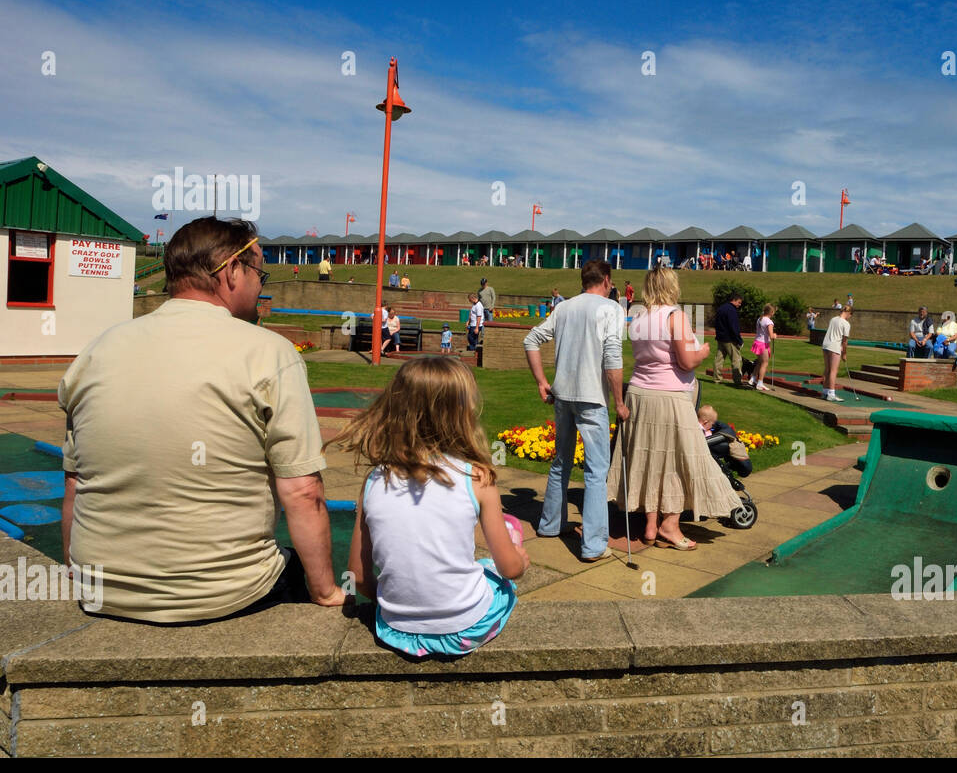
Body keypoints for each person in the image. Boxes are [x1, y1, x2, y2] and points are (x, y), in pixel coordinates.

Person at [58, 217, 343, 623]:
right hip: (226, 592)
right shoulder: (269, 352)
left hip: (99, 590)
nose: (260, 285)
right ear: (231, 270)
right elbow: (302, 492)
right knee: (302, 573)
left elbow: (74, 482)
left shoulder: (95, 351)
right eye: (259, 273)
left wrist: (76, 573)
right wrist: (326, 591)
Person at [336, 357, 529, 658]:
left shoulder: (374, 481)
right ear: (462, 414)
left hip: (395, 630)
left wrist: (393, 606)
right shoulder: (477, 477)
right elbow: (511, 570)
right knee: (494, 569)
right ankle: (510, 535)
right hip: (466, 629)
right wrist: (520, 559)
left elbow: (358, 577)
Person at [607, 266, 739, 552]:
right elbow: (686, 361)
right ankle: (669, 525)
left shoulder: (638, 317)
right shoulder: (675, 316)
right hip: (670, 395)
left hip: (639, 394)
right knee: (680, 460)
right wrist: (702, 352)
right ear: (671, 286)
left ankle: (650, 526)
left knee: (652, 459)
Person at [523, 260, 628, 562]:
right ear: (606, 280)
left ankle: (550, 524)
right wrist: (620, 402)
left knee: (561, 462)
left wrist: (541, 382)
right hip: (592, 398)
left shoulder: (564, 307)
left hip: (563, 395)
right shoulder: (611, 308)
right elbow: (612, 357)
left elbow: (531, 339)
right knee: (596, 472)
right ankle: (593, 545)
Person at [712, 291, 745, 385]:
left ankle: (717, 379)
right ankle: (737, 380)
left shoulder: (721, 308)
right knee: (736, 360)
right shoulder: (731, 310)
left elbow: (716, 323)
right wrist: (739, 340)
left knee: (719, 359)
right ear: (734, 300)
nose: (739, 305)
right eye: (739, 302)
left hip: (720, 337)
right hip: (730, 339)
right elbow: (734, 327)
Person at [822, 304, 851, 402]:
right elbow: (845, 342)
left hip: (825, 345)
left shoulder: (833, 319)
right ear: (849, 313)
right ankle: (831, 394)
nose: (850, 317)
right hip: (834, 347)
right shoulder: (846, 324)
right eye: (850, 315)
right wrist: (844, 354)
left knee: (827, 370)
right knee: (833, 371)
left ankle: (825, 392)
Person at [748, 303, 776, 391]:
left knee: (759, 362)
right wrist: (774, 335)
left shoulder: (759, 319)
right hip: (763, 344)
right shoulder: (769, 322)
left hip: (757, 342)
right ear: (771, 312)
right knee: (764, 363)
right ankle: (760, 383)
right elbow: (771, 335)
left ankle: (753, 378)